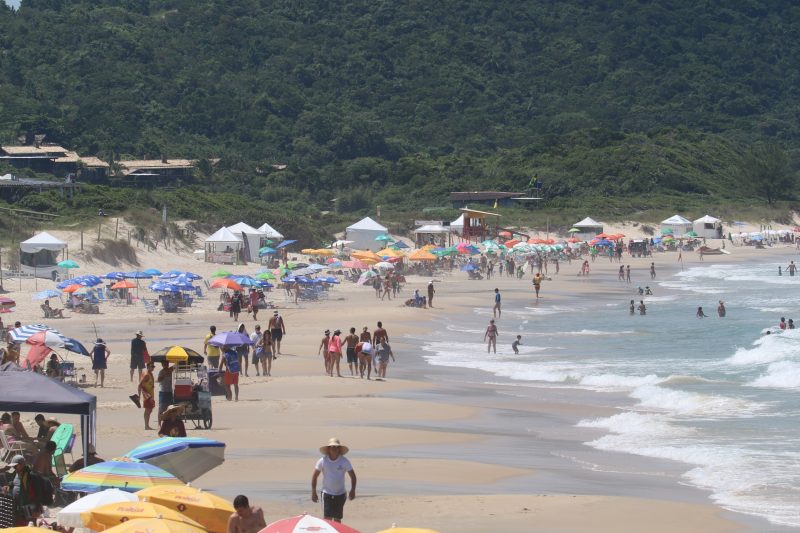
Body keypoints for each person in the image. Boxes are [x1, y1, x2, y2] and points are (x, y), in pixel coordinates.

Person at [311, 438, 357, 523]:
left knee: (337, 520)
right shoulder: (322, 461)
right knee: (327, 519)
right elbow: (314, 476)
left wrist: (353, 490)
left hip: (340, 494)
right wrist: (313, 492)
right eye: (332, 447)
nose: (334, 449)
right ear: (328, 449)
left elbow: (353, 476)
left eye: (336, 447)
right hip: (326, 493)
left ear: (339, 449)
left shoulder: (344, 461)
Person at [138, 361, 156, 430]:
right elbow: (140, 385)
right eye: (151, 367)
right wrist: (139, 395)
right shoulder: (146, 375)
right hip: (147, 395)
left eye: (153, 367)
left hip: (150, 394)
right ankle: (146, 425)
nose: (152, 368)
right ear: (147, 367)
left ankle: (147, 425)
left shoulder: (150, 374)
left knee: (150, 409)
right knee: (148, 410)